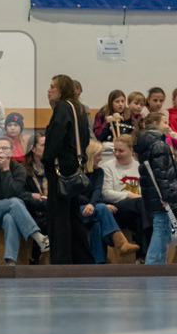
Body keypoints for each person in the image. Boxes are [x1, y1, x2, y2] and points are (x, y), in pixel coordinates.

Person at [42, 75, 94, 264]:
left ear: (62, 89)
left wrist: (46, 160)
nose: (49, 90)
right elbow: (86, 138)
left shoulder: (62, 107)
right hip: (74, 165)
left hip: (59, 168)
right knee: (73, 214)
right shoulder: (79, 108)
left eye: (52, 86)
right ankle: (82, 258)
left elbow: (56, 136)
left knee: (59, 216)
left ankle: (61, 259)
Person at [0, 137, 50, 265]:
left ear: (12, 151)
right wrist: (5, 170)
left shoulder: (19, 169)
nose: (0, 152)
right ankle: (38, 236)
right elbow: (3, 195)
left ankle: (10, 262)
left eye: (4, 148)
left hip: (10, 210)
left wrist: (6, 169)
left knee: (10, 218)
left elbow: (14, 193)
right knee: (14, 202)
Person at [135, 114, 177, 264]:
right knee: (161, 227)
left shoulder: (148, 142)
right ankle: (153, 262)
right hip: (160, 193)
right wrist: (166, 195)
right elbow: (161, 174)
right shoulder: (158, 145)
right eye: (165, 122)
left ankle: (158, 262)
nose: (168, 126)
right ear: (155, 124)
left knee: (163, 228)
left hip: (155, 192)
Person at [79, 140, 140, 263]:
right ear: (91, 155)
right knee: (102, 208)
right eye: (99, 155)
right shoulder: (77, 172)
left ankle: (99, 263)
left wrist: (93, 204)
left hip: (92, 209)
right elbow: (76, 196)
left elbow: (97, 191)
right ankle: (120, 243)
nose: (101, 159)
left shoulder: (99, 172)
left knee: (97, 224)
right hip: (77, 209)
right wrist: (94, 204)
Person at [101, 134, 147, 258]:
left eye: (121, 151)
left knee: (140, 218)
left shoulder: (139, 167)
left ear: (131, 151)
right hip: (117, 208)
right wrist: (129, 195)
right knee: (142, 204)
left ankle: (142, 257)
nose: (117, 154)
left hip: (137, 208)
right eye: (115, 150)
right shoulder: (107, 167)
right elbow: (106, 193)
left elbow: (144, 191)